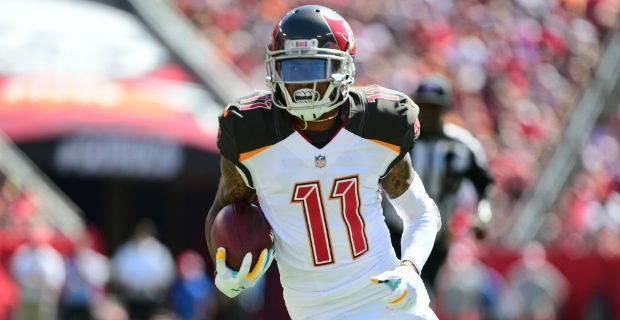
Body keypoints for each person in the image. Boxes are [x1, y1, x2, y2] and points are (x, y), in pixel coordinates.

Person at [204, 5, 441, 319]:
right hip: (314, 312)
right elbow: (223, 208)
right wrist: (224, 269)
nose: (302, 84)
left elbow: (421, 211)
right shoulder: (251, 134)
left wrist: (410, 267)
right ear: (274, 71)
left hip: (389, 303)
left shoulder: (377, 124)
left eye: (314, 69)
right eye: (292, 69)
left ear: (344, 69)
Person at [385, 74, 494, 291]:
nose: (428, 113)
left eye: (434, 108)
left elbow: (484, 186)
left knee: (421, 292)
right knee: (388, 293)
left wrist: (482, 216)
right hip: (391, 231)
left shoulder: (463, 145)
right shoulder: (397, 139)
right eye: (424, 107)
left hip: (434, 237)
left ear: (445, 109)